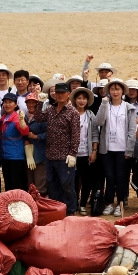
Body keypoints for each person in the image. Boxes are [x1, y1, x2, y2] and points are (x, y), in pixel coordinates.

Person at [32, 81, 80, 214]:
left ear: (68, 94)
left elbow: (75, 135)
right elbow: (38, 118)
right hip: (50, 155)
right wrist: (40, 103)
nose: (59, 95)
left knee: (67, 186)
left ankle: (70, 211)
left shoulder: (72, 112)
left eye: (62, 93)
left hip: (65, 157)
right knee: (53, 186)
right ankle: (56, 211)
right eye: (57, 93)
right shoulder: (51, 110)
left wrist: (72, 153)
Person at [94, 78, 138, 217]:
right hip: (107, 149)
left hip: (122, 148)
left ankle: (120, 203)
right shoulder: (105, 105)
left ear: (122, 91)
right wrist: (103, 104)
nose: (115, 92)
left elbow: (132, 130)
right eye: (112, 89)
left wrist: (129, 149)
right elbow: (98, 121)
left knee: (121, 177)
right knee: (109, 176)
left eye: (117, 89)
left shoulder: (129, 108)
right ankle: (108, 203)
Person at [69, 86, 97, 214]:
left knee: (87, 181)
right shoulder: (69, 113)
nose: (81, 101)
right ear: (74, 100)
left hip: (86, 153)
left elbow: (95, 133)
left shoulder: (90, 115)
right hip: (72, 154)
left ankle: (83, 204)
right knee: (73, 181)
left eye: (84, 98)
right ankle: (73, 204)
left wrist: (94, 151)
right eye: (79, 98)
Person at [0, 93, 30, 191]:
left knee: (17, 184)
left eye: (10, 102)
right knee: (8, 183)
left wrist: (22, 124)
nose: (7, 105)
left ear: (15, 104)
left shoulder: (17, 118)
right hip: (5, 155)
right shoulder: (3, 118)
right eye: (5, 102)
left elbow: (25, 132)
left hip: (15, 156)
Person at [24, 92, 48, 194]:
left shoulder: (42, 118)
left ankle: (41, 204)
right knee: (30, 181)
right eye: (28, 103)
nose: (31, 105)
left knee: (40, 182)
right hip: (29, 153)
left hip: (40, 154)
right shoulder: (24, 117)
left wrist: (36, 136)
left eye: (34, 102)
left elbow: (49, 133)